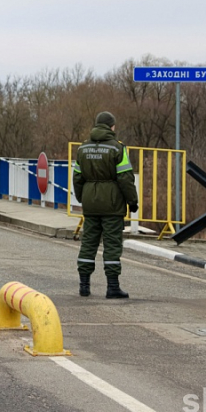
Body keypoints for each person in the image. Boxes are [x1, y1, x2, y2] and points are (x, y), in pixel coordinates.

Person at [73, 111, 138, 299]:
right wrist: (132, 201)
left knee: (88, 243)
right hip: (112, 204)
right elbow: (125, 178)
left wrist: (82, 198)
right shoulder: (117, 149)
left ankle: (84, 286)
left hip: (90, 204)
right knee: (112, 244)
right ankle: (112, 287)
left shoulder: (83, 148)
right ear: (112, 127)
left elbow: (77, 177)